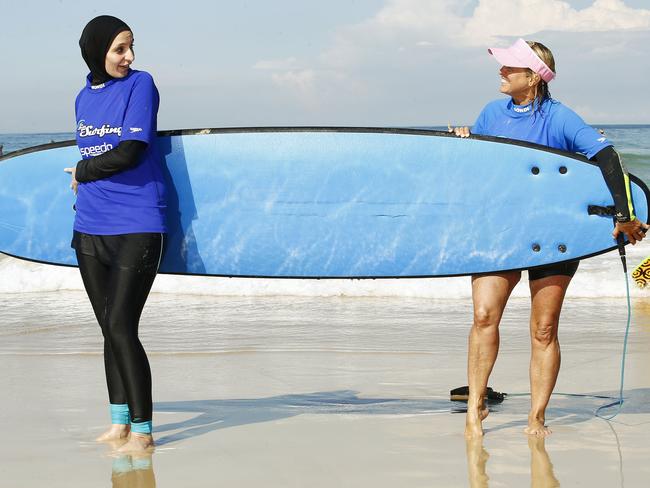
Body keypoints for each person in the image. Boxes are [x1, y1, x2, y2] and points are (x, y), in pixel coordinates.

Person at [450, 38, 647, 438]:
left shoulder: (560, 118)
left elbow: (607, 157)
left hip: (554, 235)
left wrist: (625, 216)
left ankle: (536, 417)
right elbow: (480, 168)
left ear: (534, 76)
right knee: (484, 316)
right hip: (501, 230)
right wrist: (463, 144)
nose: (501, 72)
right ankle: (475, 408)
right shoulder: (491, 113)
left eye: (510, 67)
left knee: (544, 329)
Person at [64, 15, 166, 452]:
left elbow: (129, 151)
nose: (130, 57)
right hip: (89, 225)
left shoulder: (141, 85)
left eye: (130, 47)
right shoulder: (83, 97)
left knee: (123, 324)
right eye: (119, 49)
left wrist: (83, 170)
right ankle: (119, 422)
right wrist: (85, 177)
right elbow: (95, 150)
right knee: (108, 326)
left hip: (137, 223)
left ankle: (143, 432)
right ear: (96, 52)